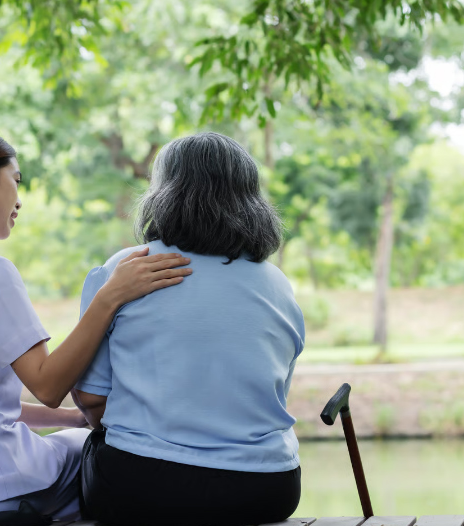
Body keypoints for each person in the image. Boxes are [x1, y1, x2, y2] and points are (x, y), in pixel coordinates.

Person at [0, 126, 191, 522]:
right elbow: (47, 385)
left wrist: (73, 417)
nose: (20, 199)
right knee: (96, 457)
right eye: (16, 180)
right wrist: (111, 296)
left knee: (77, 433)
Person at [72, 132, 306, 526]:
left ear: (162, 193)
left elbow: (91, 400)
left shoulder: (126, 270)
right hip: (267, 488)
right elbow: (269, 394)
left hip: (141, 485)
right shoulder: (278, 284)